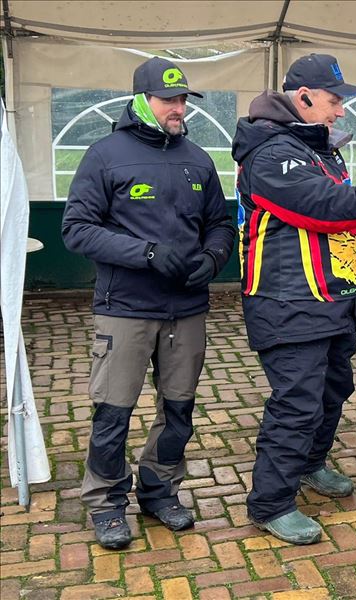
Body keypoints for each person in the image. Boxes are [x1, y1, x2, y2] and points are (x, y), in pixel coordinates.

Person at [232, 53, 356, 545]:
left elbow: (342, 221)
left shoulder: (321, 150)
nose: (341, 111)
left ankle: (310, 463)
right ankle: (270, 503)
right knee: (296, 404)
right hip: (286, 301)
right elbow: (323, 207)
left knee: (332, 391)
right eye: (334, 101)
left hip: (332, 299)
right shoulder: (271, 153)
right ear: (303, 97)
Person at [62, 57, 235, 549]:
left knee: (178, 409)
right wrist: (147, 253)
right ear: (141, 100)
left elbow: (221, 224)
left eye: (183, 99)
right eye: (169, 100)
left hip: (187, 309)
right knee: (113, 412)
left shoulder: (198, 159)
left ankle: (160, 491)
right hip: (125, 309)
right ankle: (106, 503)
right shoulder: (105, 155)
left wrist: (213, 258)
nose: (179, 108)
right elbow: (76, 230)